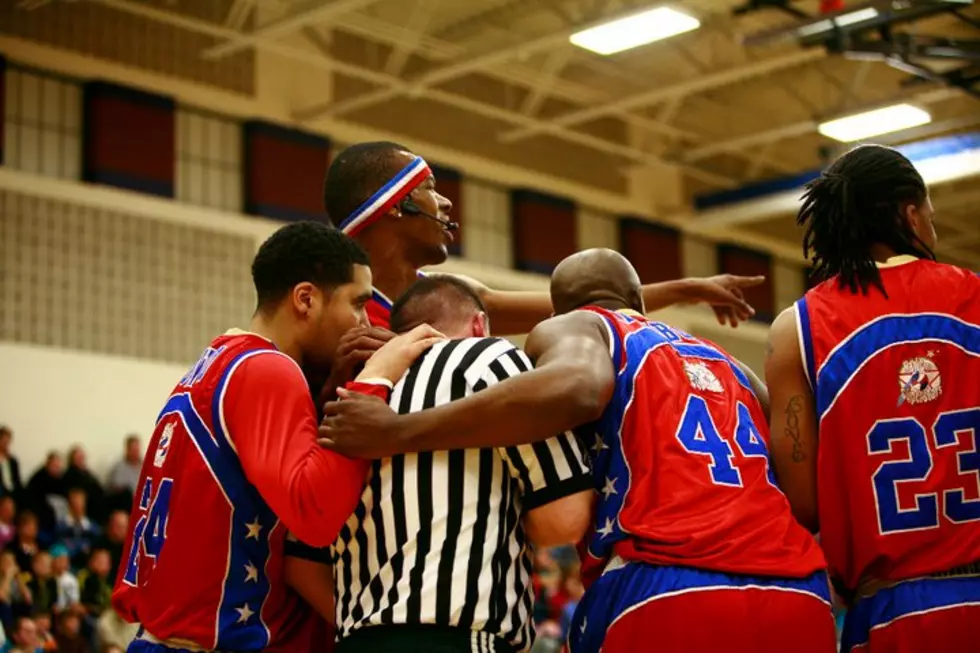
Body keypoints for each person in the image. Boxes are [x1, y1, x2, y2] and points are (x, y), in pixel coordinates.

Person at [321, 249, 836, 652]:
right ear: (636, 298)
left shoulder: (580, 326)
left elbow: (578, 387)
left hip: (668, 581)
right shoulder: (731, 365)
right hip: (799, 593)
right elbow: (802, 493)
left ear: (561, 309)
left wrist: (399, 432)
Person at [112, 222, 442, 653]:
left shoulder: (216, 361)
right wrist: (376, 378)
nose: (364, 321)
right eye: (358, 304)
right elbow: (314, 513)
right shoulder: (268, 368)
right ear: (306, 299)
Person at [288, 276, 593, 653]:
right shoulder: (485, 357)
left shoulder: (348, 399)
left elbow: (300, 562)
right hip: (461, 637)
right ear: (479, 325)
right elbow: (567, 518)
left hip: (359, 640)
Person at [764, 144, 980, 653]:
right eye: (931, 214)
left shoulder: (797, 329)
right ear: (910, 214)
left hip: (890, 609)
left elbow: (803, 504)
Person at [323, 142, 765, 337]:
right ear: (397, 204)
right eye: (431, 188)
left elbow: (583, 304)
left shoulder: (452, 297)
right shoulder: (338, 309)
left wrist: (688, 289)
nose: (446, 203)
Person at [0, 428, 23, 501]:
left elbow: (17, 480)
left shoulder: (13, 461)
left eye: (8, 441)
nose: (6, 444)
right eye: (4, 441)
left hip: (13, 492)